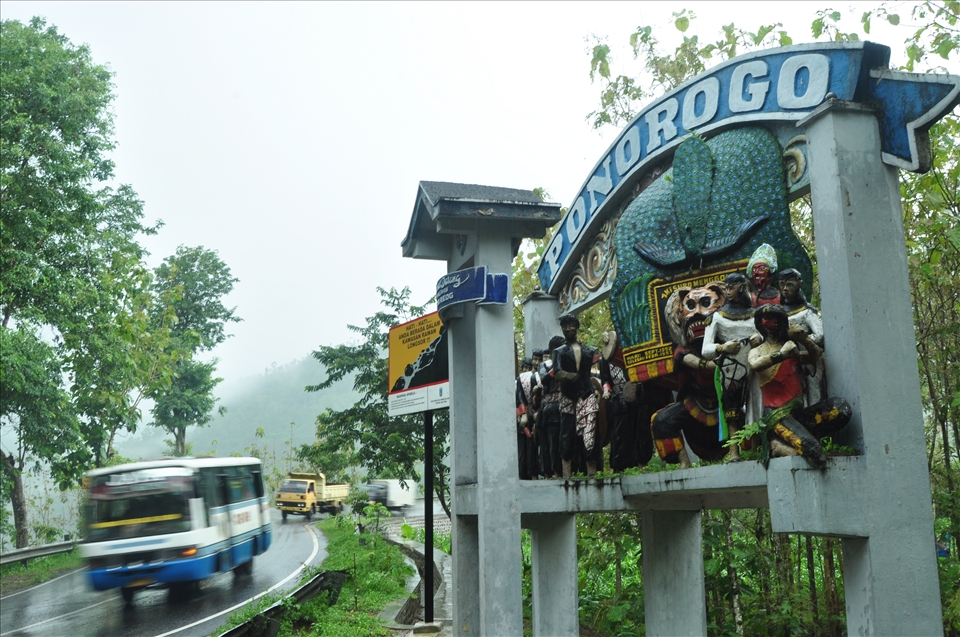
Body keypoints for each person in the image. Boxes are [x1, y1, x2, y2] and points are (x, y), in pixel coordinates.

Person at [748, 304, 850, 467]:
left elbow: (814, 355)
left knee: (841, 410)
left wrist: (803, 339)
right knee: (815, 453)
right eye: (765, 319)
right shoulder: (758, 350)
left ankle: (798, 439)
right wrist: (781, 355)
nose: (769, 323)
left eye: (774, 319)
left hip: (799, 415)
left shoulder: (791, 347)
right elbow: (755, 364)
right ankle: (778, 446)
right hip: (777, 416)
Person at [702, 273, 762, 460]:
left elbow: (769, 339)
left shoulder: (756, 316)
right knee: (731, 410)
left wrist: (760, 338)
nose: (727, 292)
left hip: (756, 366)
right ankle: (734, 452)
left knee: (757, 406)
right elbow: (706, 349)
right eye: (726, 288)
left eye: (731, 288)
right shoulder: (717, 318)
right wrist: (722, 347)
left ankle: (756, 449)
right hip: (730, 368)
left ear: (742, 288)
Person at [552, 314, 600, 478]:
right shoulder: (559, 351)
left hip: (586, 393)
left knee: (590, 429)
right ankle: (567, 473)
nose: (568, 329)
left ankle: (591, 471)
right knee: (567, 432)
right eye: (564, 326)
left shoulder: (589, 351)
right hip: (568, 395)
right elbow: (557, 373)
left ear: (576, 326)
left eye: (571, 325)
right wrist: (567, 375)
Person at [777, 268, 825, 405]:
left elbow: (820, 335)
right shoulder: (779, 312)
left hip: (809, 362)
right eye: (782, 284)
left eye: (789, 285)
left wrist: (803, 339)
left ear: (799, 284)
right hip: (787, 362)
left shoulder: (807, 311)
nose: (785, 289)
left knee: (813, 398)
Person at [534, 336, 564, 478]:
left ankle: (570, 470)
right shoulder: (544, 365)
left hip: (568, 404)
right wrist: (556, 369)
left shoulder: (568, 360)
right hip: (551, 406)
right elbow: (544, 379)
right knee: (552, 442)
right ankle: (553, 472)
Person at [515, 357, 538, 479]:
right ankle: (524, 474)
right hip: (523, 418)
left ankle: (530, 474)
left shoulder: (524, 379)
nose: (526, 371)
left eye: (528, 368)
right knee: (524, 449)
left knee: (530, 448)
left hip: (527, 418)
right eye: (525, 368)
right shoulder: (520, 381)